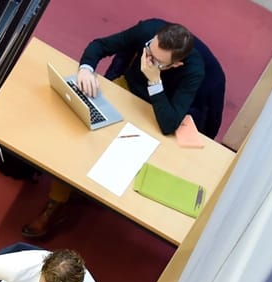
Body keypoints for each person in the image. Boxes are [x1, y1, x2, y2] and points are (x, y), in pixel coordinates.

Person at [22, 20, 227, 240]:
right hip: (126, 90)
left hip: (155, 111)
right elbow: (99, 46)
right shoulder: (148, 30)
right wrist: (86, 70)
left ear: (174, 65)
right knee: (80, 131)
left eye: (156, 61)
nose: (147, 59)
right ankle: (59, 196)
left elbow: (169, 123)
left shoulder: (194, 71)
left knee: (116, 161)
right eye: (148, 50)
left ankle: (65, 199)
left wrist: (154, 81)